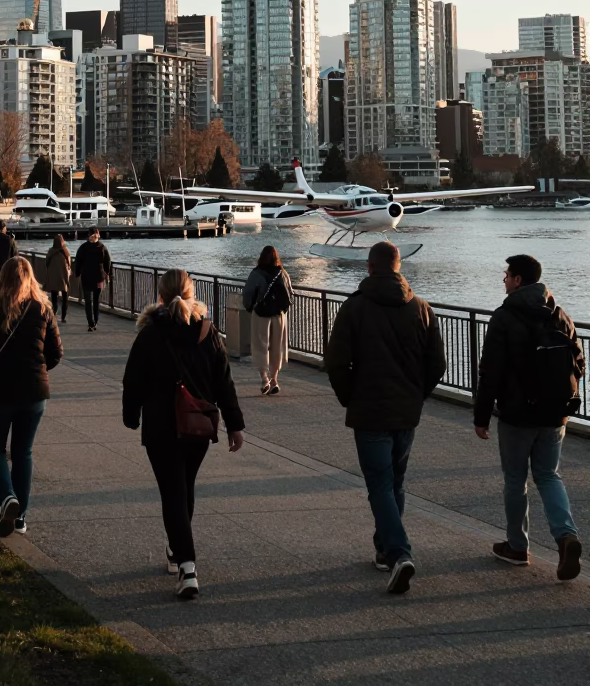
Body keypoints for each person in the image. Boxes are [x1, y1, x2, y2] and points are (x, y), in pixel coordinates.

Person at [324, 241, 446, 595]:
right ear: (398, 265)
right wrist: (417, 395)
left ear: (369, 267)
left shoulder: (355, 308)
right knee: (395, 481)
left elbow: (335, 363)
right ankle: (383, 548)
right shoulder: (422, 308)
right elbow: (437, 364)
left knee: (379, 484)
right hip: (406, 412)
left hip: (370, 410)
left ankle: (398, 553)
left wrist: (350, 397)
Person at [122, 269, 245, 600]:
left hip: (161, 425)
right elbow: (224, 382)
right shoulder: (208, 332)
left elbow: (132, 379)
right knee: (184, 487)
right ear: (192, 293)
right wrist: (234, 424)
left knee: (172, 492)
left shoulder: (150, 333)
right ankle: (178, 552)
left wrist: (130, 415)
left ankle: (186, 565)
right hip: (198, 426)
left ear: (160, 296)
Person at [474, 253, 584, 579]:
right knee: (549, 476)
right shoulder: (559, 314)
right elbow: (578, 361)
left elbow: (490, 372)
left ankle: (517, 547)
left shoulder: (505, 317)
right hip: (555, 414)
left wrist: (481, 416)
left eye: (507, 275)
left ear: (518, 280)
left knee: (515, 479)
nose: (504, 279)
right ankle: (566, 537)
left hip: (517, 415)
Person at [0, 256, 62, 536]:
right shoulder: (43, 310)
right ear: (30, 279)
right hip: (34, 393)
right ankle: (20, 519)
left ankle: (8, 498)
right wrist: (38, 368)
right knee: (23, 452)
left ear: (3, 279)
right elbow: (56, 353)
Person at [243, 245, 294, 395]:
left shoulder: (256, 274)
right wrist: (283, 311)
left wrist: (250, 308)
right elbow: (290, 294)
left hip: (261, 315)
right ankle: (275, 380)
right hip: (279, 316)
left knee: (260, 346)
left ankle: (265, 379)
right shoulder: (283, 273)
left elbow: (248, 295)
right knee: (277, 347)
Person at [73, 227, 112, 332]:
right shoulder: (102, 247)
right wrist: (107, 272)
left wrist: (77, 272)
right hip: (99, 277)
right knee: (96, 300)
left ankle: (91, 323)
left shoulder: (83, 247)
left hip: (86, 276)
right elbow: (108, 261)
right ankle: (95, 321)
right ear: (97, 235)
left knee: (88, 301)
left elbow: (77, 261)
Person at [42, 233, 72, 322]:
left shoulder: (51, 251)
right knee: (65, 297)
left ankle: (54, 313)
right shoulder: (66, 251)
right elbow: (69, 265)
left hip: (53, 277)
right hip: (64, 278)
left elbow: (46, 263)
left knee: (54, 297)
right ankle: (63, 317)